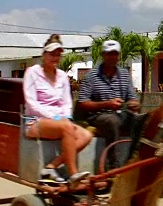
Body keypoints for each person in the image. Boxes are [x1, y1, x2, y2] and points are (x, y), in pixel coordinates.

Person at [22, 34, 93, 186]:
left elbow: (67, 103)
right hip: (35, 121)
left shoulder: (62, 76)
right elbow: (32, 103)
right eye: (52, 54)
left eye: (58, 55)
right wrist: (56, 118)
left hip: (59, 122)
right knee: (66, 126)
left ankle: (52, 166)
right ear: (44, 54)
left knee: (86, 135)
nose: (55, 58)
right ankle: (74, 174)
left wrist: (65, 117)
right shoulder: (32, 72)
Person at [77, 39, 142, 170]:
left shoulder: (124, 74)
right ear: (103, 55)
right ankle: (113, 166)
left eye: (115, 54)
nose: (112, 57)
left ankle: (136, 160)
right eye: (109, 54)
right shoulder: (92, 76)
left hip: (121, 114)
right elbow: (83, 103)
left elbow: (132, 98)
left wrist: (134, 104)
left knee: (143, 121)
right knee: (112, 121)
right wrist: (107, 104)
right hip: (97, 116)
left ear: (119, 56)